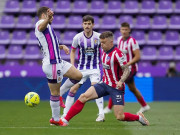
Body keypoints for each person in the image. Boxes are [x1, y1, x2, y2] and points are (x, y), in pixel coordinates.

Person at [59, 31, 149, 127]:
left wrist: (121, 81)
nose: (101, 45)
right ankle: (65, 120)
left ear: (111, 42)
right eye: (100, 42)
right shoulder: (103, 51)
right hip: (104, 84)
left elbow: (127, 70)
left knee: (119, 116)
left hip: (116, 87)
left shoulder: (118, 54)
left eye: (103, 43)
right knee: (83, 97)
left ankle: (138, 117)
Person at [35, 7, 82, 126]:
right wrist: (48, 18)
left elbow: (48, 45)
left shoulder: (48, 28)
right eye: (50, 15)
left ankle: (60, 93)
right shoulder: (41, 23)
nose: (53, 17)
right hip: (52, 64)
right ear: (44, 15)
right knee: (54, 93)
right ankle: (55, 119)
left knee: (78, 76)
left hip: (58, 61)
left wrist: (62, 46)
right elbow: (41, 27)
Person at [59, 15, 104, 122]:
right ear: (82, 25)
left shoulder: (98, 37)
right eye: (85, 23)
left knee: (95, 88)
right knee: (73, 89)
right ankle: (65, 115)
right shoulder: (77, 37)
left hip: (95, 68)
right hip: (81, 69)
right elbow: (73, 51)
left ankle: (101, 114)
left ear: (93, 25)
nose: (87, 26)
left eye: (89, 24)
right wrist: (72, 65)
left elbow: (104, 50)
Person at [104, 22, 150, 114]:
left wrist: (127, 64)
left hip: (131, 69)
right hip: (123, 68)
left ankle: (109, 108)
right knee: (132, 88)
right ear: (120, 30)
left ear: (129, 30)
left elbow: (137, 57)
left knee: (117, 84)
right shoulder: (119, 39)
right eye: (122, 29)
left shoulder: (133, 41)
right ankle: (144, 105)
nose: (124, 31)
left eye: (126, 30)